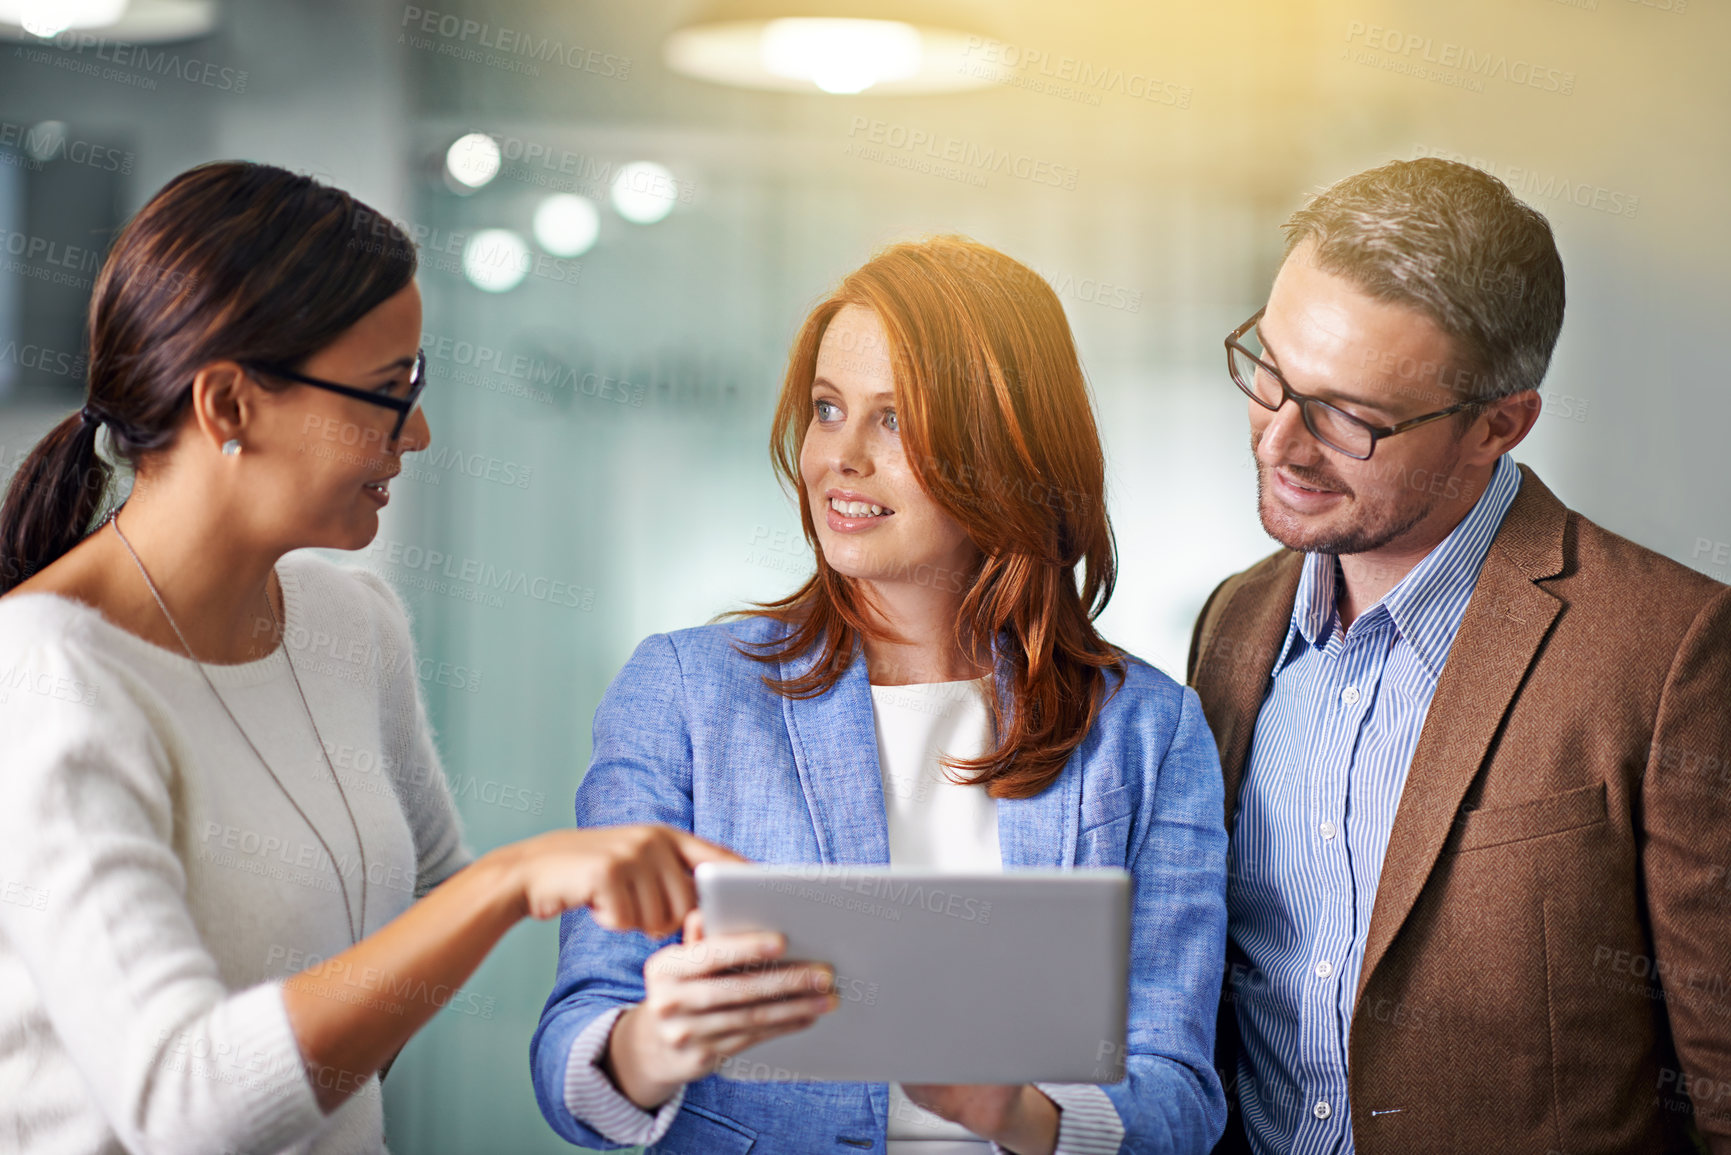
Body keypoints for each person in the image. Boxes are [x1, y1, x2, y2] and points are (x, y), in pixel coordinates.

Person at [0, 161, 735, 1155]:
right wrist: (512, 881)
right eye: (390, 392)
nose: (418, 433)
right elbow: (181, 1108)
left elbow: (427, 894)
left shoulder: (352, 622)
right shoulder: (49, 677)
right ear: (229, 406)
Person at [530, 237, 1229, 1154]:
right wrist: (653, 1044)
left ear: (1006, 447)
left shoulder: (1147, 730)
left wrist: (1015, 1113)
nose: (841, 458)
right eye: (827, 410)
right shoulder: (687, 693)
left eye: (894, 421)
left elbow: (1178, 1090)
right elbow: (574, 1042)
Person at [1185, 157, 1731, 1154]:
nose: (1280, 444)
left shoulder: (1673, 655)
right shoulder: (1231, 626)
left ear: (1500, 424)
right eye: (1271, 371)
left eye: (1350, 417)